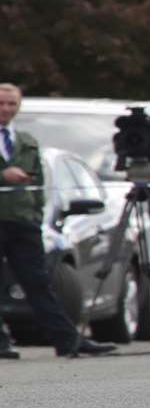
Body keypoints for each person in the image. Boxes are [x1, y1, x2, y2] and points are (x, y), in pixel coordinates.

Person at [0, 83, 116, 358]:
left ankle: (67, 340)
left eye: (11, 104)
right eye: (1, 103)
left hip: (22, 222)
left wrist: (35, 214)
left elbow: (38, 183)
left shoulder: (25, 141)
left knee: (38, 283)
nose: (6, 109)